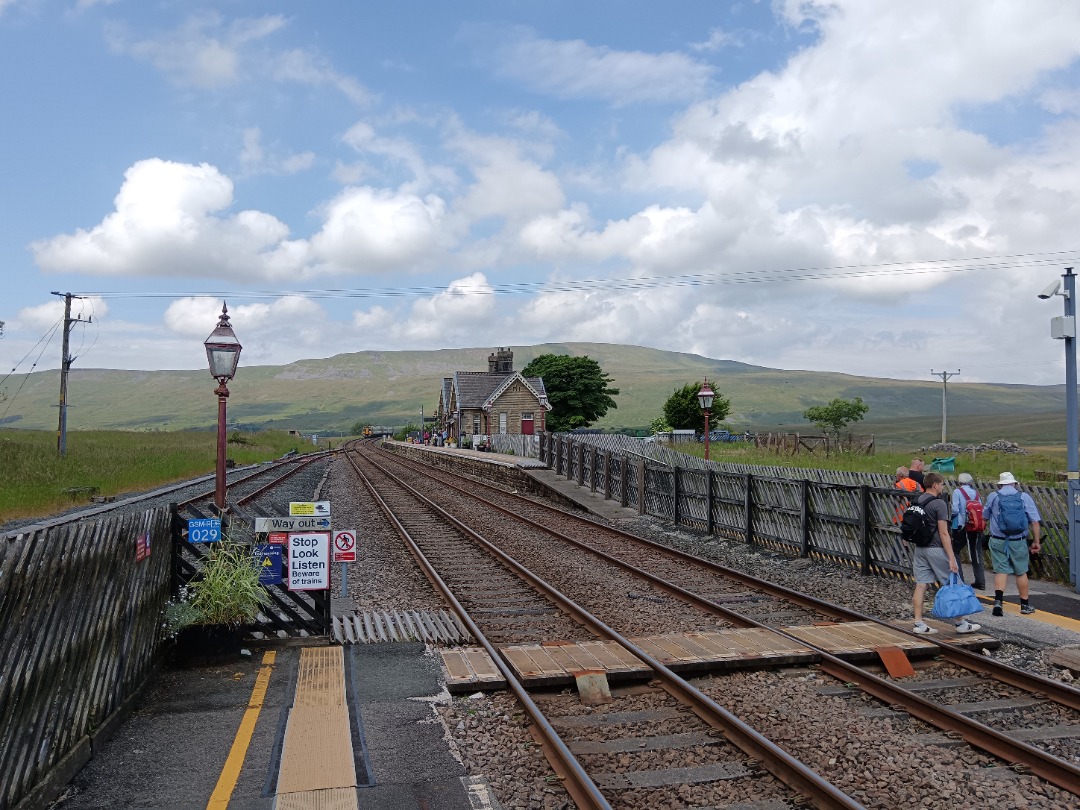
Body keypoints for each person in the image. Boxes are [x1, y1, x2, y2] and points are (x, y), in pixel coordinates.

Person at [910, 472, 982, 635]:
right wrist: (951, 558)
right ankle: (960, 623)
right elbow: (943, 533)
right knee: (952, 583)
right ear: (934, 485)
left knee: (921, 585)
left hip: (920, 548)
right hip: (936, 549)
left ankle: (919, 623)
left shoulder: (918, 500)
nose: (943, 487)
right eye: (941, 484)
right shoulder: (939, 504)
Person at [983, 472, 1041, 616]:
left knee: (1001, 570)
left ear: (1000, 484)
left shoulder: (993, 496)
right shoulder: (1024, 497)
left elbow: (984, 517)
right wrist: (1036, 542)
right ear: (1014, 483)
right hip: (1018, 541)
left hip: (997, 539)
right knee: (1021, 571)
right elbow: (1034, 522)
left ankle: (998, 602)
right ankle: (1025, 605)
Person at [950, 473, 986, 590]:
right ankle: (980, 581)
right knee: (976, 552)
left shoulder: (957, 492)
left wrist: (951, 517)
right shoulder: (975, 493)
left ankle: (959, 580)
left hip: (961, 526)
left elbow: (955, 509)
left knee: (956, 551)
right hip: (975, 526)